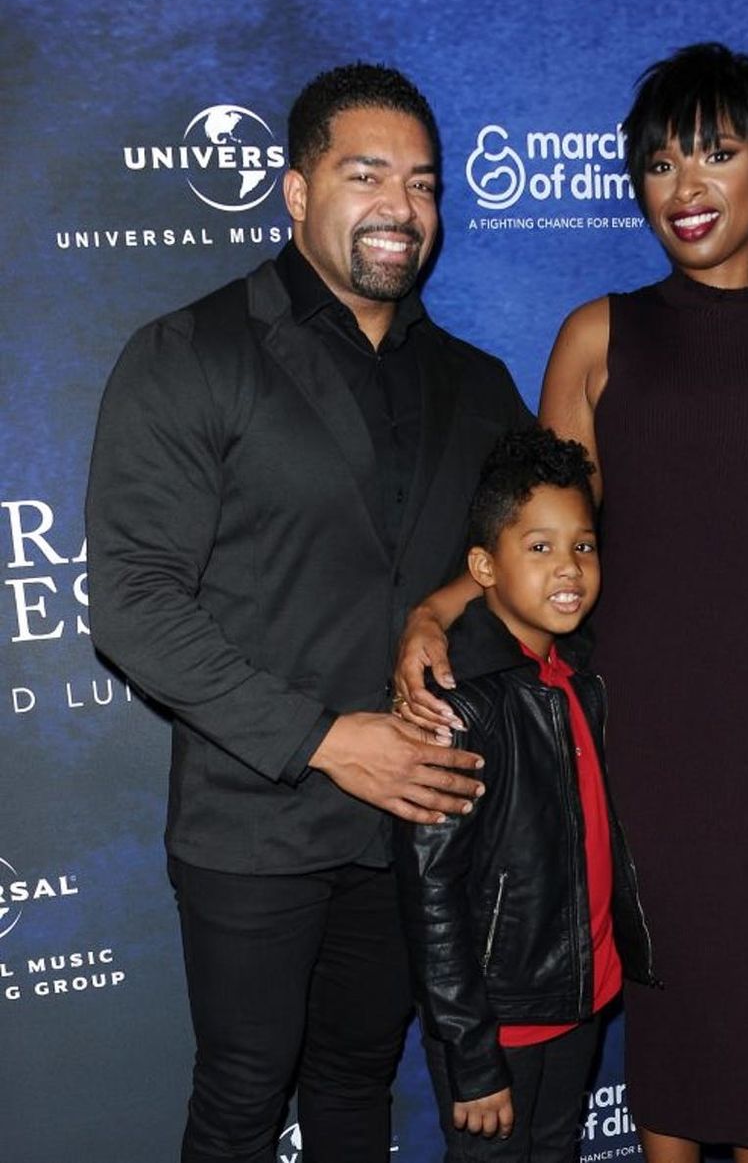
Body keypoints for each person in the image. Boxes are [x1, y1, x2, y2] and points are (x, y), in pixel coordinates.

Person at [394, 42, 748, 1163]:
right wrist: (435, 612)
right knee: (668, 1020)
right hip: (639, 737)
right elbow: (538, 537)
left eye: (715, 155)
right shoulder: (597, 333)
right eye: (660, 163)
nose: (683, 187)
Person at [85, 63, 531, 1163]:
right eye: (365, 173)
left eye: (423, 183)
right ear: (293, 193)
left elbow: (528, 553)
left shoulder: (475, 383)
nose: (401, 207)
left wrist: (437, 610)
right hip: (253, 818)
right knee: (241, 1100)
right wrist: (329, 741)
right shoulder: (191, 354)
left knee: (355, 1088)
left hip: (416, 822)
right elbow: (133, 602)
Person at [394, 428, 657, 1163]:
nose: (568, 568)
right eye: (538, 548)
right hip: (498, 1024)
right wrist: (471, 1056)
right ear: (483, 566)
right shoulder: (455, 709)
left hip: (578, 996)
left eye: (584, 546)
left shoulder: (579, 675)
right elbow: (430, 893)